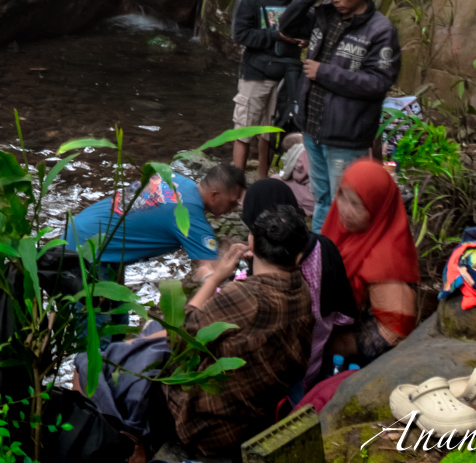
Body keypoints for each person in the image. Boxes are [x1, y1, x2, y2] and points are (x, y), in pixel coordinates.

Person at [158, 206, 314, 455]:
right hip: (265, 411)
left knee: (146, 346)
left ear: (251, 242)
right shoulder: (302, 290)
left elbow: (178, 339)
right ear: (298, 257)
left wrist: (215, 278)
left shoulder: (244, 295)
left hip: (214, 430)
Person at [279, 0, 401, 233]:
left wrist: (324, 73)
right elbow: (285, 26)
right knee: (321, 198)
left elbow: (378, 83)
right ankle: (322, 255)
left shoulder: (381, 31)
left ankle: (341, 260)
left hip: (346, 135)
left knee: (344, 202)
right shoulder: (324, 14)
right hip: (313, 128)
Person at [243, 177, 356, 389]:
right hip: (315, 362)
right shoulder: (325, 247)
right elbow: (344, 315)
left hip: (275, 380)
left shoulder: (259, 272)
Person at [68, 162, 246, 279]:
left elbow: (130, 224)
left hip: (79, 230)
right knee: (99, 326)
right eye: (232, 203)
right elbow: (210, 275)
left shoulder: (174, 177)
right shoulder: (189, 217)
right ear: (214, 194)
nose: (234, 209)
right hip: (88, 253)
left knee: (116, 317)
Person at [323, 159, 420, 364]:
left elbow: (394, 333)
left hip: (360, 363)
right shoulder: (346, 232)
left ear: (378, 208)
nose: (345, 210)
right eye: (342, 197)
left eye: (357, 204)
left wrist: (343, 344)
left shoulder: (387, 260)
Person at [230, 0, 309, 174]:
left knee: (270, 132)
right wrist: (276, 36)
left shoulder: (298, 0)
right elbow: (240, 34)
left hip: (286, 77)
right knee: (244, 130)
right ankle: (237, 181)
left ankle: (263, 180)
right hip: (256, 73)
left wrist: (304, 40)